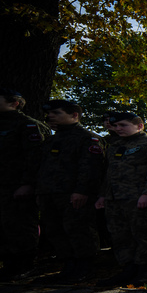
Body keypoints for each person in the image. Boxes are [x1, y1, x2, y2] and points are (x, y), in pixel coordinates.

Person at [0, 88, 49, 278]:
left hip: (14, 185)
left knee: (18, 224)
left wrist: (28, 183)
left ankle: (25, 263)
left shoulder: (27, 125)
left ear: (14, 102)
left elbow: (35, 158)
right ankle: (7, 262)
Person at [95, 112, 147, 287]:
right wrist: (103, 195)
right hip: (115, 198)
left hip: (138, 198)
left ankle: (145, 271)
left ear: (139, 126)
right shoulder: (115, 145)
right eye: (116, 126)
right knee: (120, 234)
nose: (119, 129)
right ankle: (128, 269)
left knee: (142, 234)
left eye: (123, 125)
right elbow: (109, 173)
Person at [35, 100, 105, 282]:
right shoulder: (51, 139)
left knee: (78, 229)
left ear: (74, 115)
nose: (51, 116)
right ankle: (68, 266)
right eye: (50, 114)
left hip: (73, 193)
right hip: (50, 192)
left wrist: (82, 190)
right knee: (54, 229)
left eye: (56, 113)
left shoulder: (87, 138)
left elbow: (90, 168)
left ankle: (85, 267)